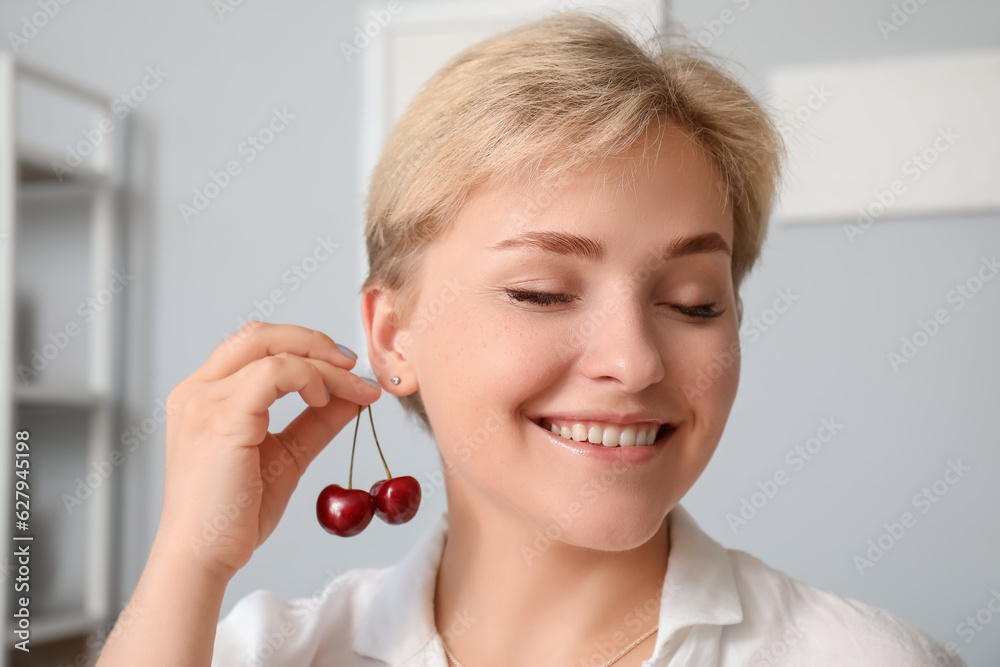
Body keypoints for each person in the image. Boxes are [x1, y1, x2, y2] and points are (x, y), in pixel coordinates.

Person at [94, 9, 966, 667]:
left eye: (696, 300)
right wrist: (188, 559)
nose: (633, 361)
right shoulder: (254, 651)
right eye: (543, 292)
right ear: (393, 337)